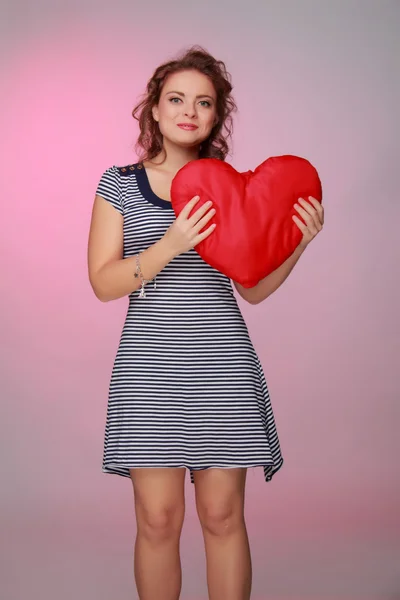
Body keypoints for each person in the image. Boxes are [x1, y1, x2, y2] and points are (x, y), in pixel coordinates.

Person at [87, 46, 324, 600]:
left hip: (224, 370)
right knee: (158, 521)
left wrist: (298, 245)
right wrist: (172, 242)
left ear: (217, 116)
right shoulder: (119, 184)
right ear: (154, 108)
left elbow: (252, 290)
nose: (188, 111)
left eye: (203, 102)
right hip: (149, 376)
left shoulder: (238, 191)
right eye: (176, 99)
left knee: (222, 518)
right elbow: (103, 282)